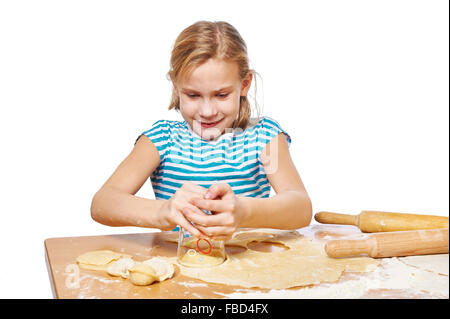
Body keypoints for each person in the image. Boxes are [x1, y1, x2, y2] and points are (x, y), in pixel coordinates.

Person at [91, 20, 312, 240]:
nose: (207, 111)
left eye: (221, 95)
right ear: (176, 87)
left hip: (247, 271)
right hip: (179, 270)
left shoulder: (265, 137)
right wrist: (161, 212)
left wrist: (244, 211)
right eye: (193, 95)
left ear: (244, 84)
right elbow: (103, 203)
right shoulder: (161, 139)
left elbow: (300, 208)